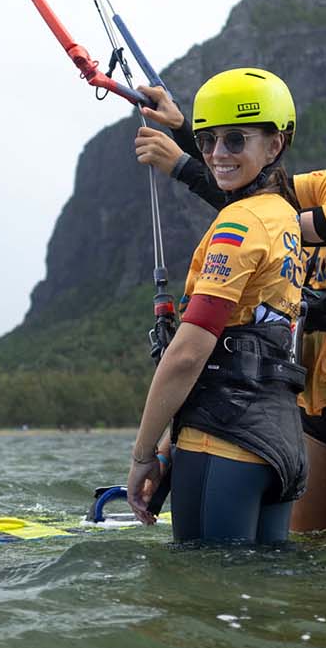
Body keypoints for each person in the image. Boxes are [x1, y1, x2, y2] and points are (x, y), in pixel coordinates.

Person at [136, 69, 326, 538]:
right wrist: (186, 129)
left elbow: (273, 225)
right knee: (311, 551)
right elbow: (252, 183)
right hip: (307, 398)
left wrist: (181, 164)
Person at [125, 68, 310, 545]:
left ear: (275, 145)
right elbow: (249, 348)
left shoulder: (238, 224)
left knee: (204, 587)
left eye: (235, 140)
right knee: (262, 588)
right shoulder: (285, 219)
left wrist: (143, 455)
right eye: (207, 141)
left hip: (225, 442)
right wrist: (169, 447)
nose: (216, 154)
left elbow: (189, 354)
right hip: (281, 443)